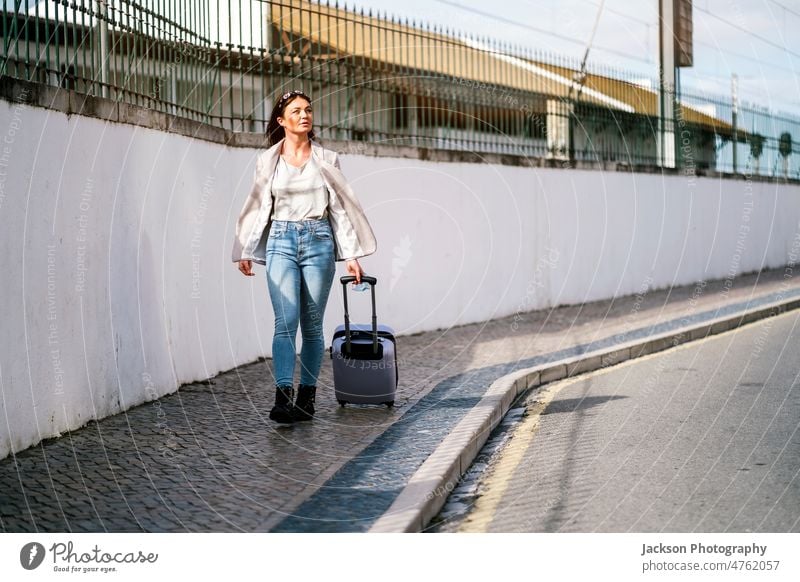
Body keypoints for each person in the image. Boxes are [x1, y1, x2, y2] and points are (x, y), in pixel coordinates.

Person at [232, 90, 377, 424]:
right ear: (282, 121)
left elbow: (339, 209)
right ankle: (283, 398)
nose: (304, 115)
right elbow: (257, 205)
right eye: (296, 111)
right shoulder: (268, 159)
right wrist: (245, 249)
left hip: (319, 241)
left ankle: (307, 399)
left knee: (311, 325)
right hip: (281, 241)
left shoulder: (327, 158)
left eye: (308, 110)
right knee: (285, 321)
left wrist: (352, 255)